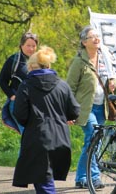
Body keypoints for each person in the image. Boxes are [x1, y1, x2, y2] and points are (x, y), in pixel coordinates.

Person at [12, 46, 80, 193]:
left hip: (37, 138)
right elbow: (75, 111)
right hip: (61, 138)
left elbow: (19, 113)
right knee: (44, 180)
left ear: (30, 67)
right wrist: (63, 117)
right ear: (49, 65)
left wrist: (29, 123)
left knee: (44, 184)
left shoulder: (26, 85)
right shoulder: (62, 85)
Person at [67, 26, 116, 189]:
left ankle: (81, 178)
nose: (97, 38)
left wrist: (112, 82)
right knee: (93, 136)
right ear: (84, 42)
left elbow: (112, 76)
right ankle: (94, 177)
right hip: (84, 108)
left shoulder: (105, 59)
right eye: (92, 37)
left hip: (101, 107)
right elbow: (69, 88)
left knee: (92, 142)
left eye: (98, 36)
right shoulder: (79, 62)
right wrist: (68, 112)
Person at [0, 31, 39, 134]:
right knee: (28, 136)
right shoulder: (13, 60)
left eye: (33, 46)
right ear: (21, 45)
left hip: (34, 105)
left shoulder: (39, 61)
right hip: (18, 105)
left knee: (34, 138)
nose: (31, 49)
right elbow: (2, 80)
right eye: (28, 45)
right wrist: (12, 96)